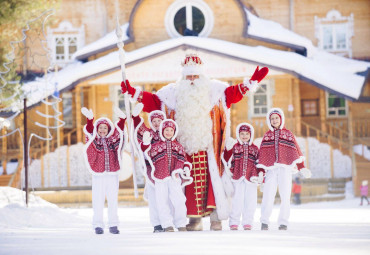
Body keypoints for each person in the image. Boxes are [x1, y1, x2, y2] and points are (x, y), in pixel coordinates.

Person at [121, 53, 269, 231]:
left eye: (195, 76)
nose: (191, 80)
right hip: (183, 148)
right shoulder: (171, 94)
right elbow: (152, 101)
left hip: (210, 148)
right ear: (183, 77)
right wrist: (133, 93)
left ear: (202, 76)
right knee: (188, 186)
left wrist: (251, 82)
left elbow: (233, 94)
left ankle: (216, 218)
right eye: (188, 76)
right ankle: (193, 219)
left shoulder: (215, 91)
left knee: (214, 184)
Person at [257, 108, 311, 231]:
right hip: (271, 170)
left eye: (276, 118)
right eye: (272, 118)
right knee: (268, 195)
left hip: (285, 169)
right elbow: (262, 156)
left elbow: (295, 150)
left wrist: (301, 167)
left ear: (281, 119)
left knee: (285, 195)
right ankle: (264, 221)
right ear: (269, 121)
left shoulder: (288, 134)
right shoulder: (267, 135)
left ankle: (283, 222)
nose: (274, 120)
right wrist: (261, 174)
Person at [141, 119, 193, 232]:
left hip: (174, 178)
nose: (168, 132)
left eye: (171, 130)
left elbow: (183, 159)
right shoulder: (156, 147)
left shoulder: (178, 146)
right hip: (160, 178)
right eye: (166, 130)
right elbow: (147, 156)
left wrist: (184, 169)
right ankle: (167, 224)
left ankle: (181, 223)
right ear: (162, 131)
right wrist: (145, 144)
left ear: (174, 132)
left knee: (179, 200)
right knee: (162, 201)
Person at [81, 106, 127, 235]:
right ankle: (98, 224)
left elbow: (120, 134)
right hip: (98, 174)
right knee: (98, 200)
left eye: (105, 128)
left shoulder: (113, 139)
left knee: (113, 199)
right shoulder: (93, 139)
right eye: (100, 128)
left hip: (112, 174)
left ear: (109, 129)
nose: (102, 130)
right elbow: (89, 131)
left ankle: (113, 224)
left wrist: (122, 120)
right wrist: (90, 120)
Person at [131, 103, 167, 232]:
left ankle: (167, 222)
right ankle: (156, 223)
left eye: (159, 120)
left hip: (167, 171)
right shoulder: (148, 133)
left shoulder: (168, 133)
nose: (157, 123)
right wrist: (136, 118)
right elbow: (139, 131)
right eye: (154, 121)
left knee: (166, 198)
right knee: (154, 198)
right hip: (152, 170)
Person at [222, 123, 263, 230]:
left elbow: (259, 162)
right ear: (238, 135)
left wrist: (260, 173)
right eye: (242, 134)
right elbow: (229, 159)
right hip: (238, 176)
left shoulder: (255, 148)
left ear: (251, 135)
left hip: (251, 177)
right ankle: (234, 222)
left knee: (250, 200)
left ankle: (248, 222)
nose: (244, 136)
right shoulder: (235, 147)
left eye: (247, 134)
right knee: (237, 200)